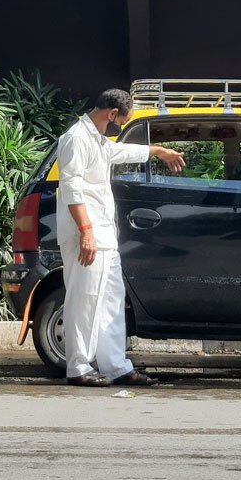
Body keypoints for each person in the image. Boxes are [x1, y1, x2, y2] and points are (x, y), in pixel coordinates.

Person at [56, 88, 186, 387]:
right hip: (86, 234)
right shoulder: (76, 138)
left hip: (103, 236)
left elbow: (119, 152)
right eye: (122, 121)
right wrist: (86, 231)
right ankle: (78, 367)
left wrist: (158, 151)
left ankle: (116, 366)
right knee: (85, 300)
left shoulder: (97, 139)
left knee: (111, 302)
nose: (120, 126)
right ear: (112, 113)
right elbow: (72, 187)